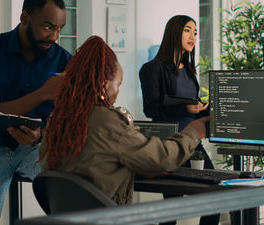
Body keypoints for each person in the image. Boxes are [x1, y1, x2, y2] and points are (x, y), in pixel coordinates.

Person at [38, 35, 209, 206]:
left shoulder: (57, 119)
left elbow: (94, 165)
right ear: (105, 85)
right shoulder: (108, 121)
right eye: (118, 84)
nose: (118, 92)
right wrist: (194, 132)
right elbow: (163, 158)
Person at [0, 0, 72, 225]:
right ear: (25, 17)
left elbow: (67, 119)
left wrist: (42, 135)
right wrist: (43, 93)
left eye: (59, 29)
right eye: (48, 26)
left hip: (37, 149)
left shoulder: (66, 61)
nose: (54, 36)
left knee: (70, 205)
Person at [139, 15, 219, 225]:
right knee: (171, 207)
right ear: (174, 32)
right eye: (187, 30)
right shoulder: (152, 69)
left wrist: (206, 109)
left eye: (195, 32)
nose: (193, 36)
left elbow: (191, 110)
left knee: (216, 194)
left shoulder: (189, 70)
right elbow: (151, 110)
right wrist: (185, 107)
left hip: (193, 141)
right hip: (170, 143)